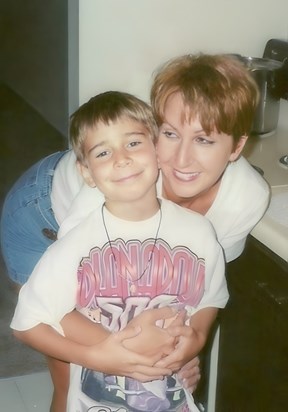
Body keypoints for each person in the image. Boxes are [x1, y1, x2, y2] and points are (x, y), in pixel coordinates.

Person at [1, 53, 270, 405]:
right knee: (70, 375)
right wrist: (119, 354)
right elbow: (56, 310)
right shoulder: (122, 184)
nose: (181, 159)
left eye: (204, 140)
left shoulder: (245, 198)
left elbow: (194, 286)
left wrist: (191, 345)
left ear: (237, 146)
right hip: (40, 212)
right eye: (170, 134)